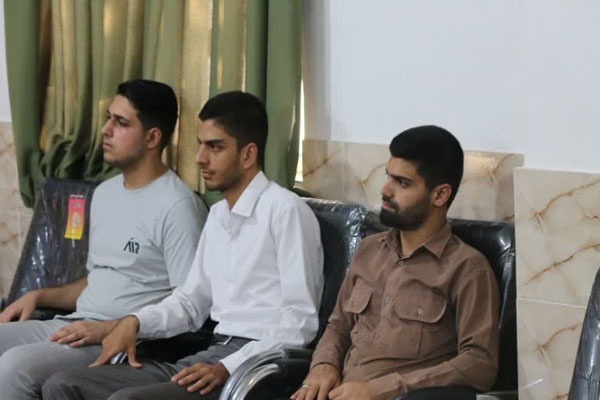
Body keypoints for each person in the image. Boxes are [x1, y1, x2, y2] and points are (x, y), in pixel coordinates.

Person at [42, 90, 324, 400]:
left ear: (248, 155)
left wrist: (229, 366)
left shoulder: (285, 211)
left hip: (252, 366)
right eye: (200, 145)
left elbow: (300, 324)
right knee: (62, 385)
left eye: (215, 147)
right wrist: (135, 322)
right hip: (209, 353)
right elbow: (191, 303)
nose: (200, 158)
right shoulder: (218, 214)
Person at [0, 79, 208, 400]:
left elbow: (188, 304)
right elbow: (98, 279)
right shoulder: (105, 193)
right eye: (109, 118)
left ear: (152, 138)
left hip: (121, 341)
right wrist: (38, 295)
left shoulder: (178, 206)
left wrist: (110, 327)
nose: (106, 130)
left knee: (14, 367)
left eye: (121, 123)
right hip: (73, 324)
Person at [291, 126, 500, 400]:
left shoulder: (467, 268)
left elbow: (479, 365)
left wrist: (379, 390)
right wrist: (324, 364)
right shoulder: (369, 250)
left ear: (440, 195)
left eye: (402, 183)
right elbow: (338, 325)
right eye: (388, 176)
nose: (385, 190)